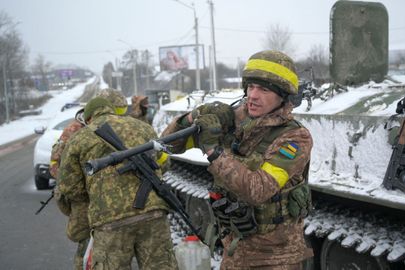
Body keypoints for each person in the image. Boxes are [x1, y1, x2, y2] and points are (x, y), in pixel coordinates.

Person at [161, 50, 314, 269]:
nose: (253, 95)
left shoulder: (294, 137)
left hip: (275, 259)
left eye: (263, 89)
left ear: (282, 96)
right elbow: (168, 144)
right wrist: (193, 117)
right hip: (234, 252)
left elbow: (258, 190)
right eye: (251, 87)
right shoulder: (233, 121)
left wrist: (213, 151)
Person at [57, 97, 177, 269]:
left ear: (89, 117)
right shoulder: (143, 127)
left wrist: (97, 193)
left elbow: (69, 186)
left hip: (109, 220)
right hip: (153, 213)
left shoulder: (79, 138)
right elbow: (163, 164)